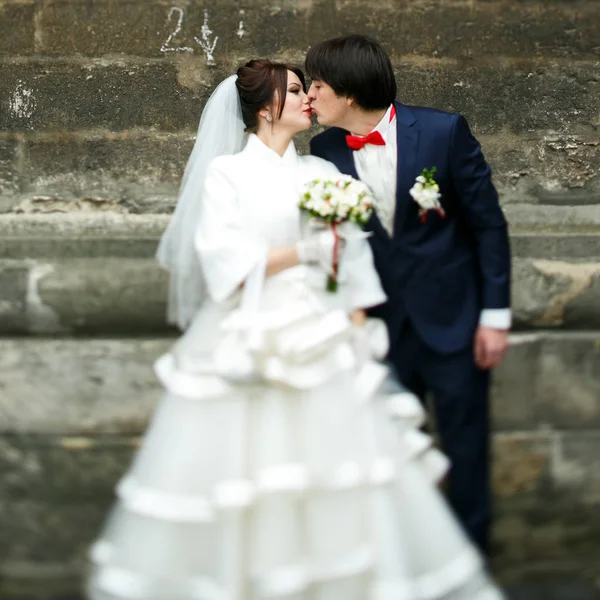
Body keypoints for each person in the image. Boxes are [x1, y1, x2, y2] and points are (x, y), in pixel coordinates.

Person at [85, 59, 505, 599]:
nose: (309, 97)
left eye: (308, 88)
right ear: (265, 108)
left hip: (328, 334)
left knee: (341, 472)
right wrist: (302, 252)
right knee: (254, 473)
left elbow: (353, 257)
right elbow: (225, 265)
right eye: (295, 90)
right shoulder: (227, 175)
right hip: (256, 334)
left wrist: (357, 321)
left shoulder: (322, 172)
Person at [306, 35, 512, 556]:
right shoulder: (323, 151)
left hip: (457, 322)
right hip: (380, 329)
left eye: (319, 84)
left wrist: (495, 314)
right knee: (392, 455)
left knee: (466, 450)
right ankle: (410, 563)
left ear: (348, 92)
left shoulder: (443, 131)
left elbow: (487, 225)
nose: (310, 96)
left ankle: (473, 564)